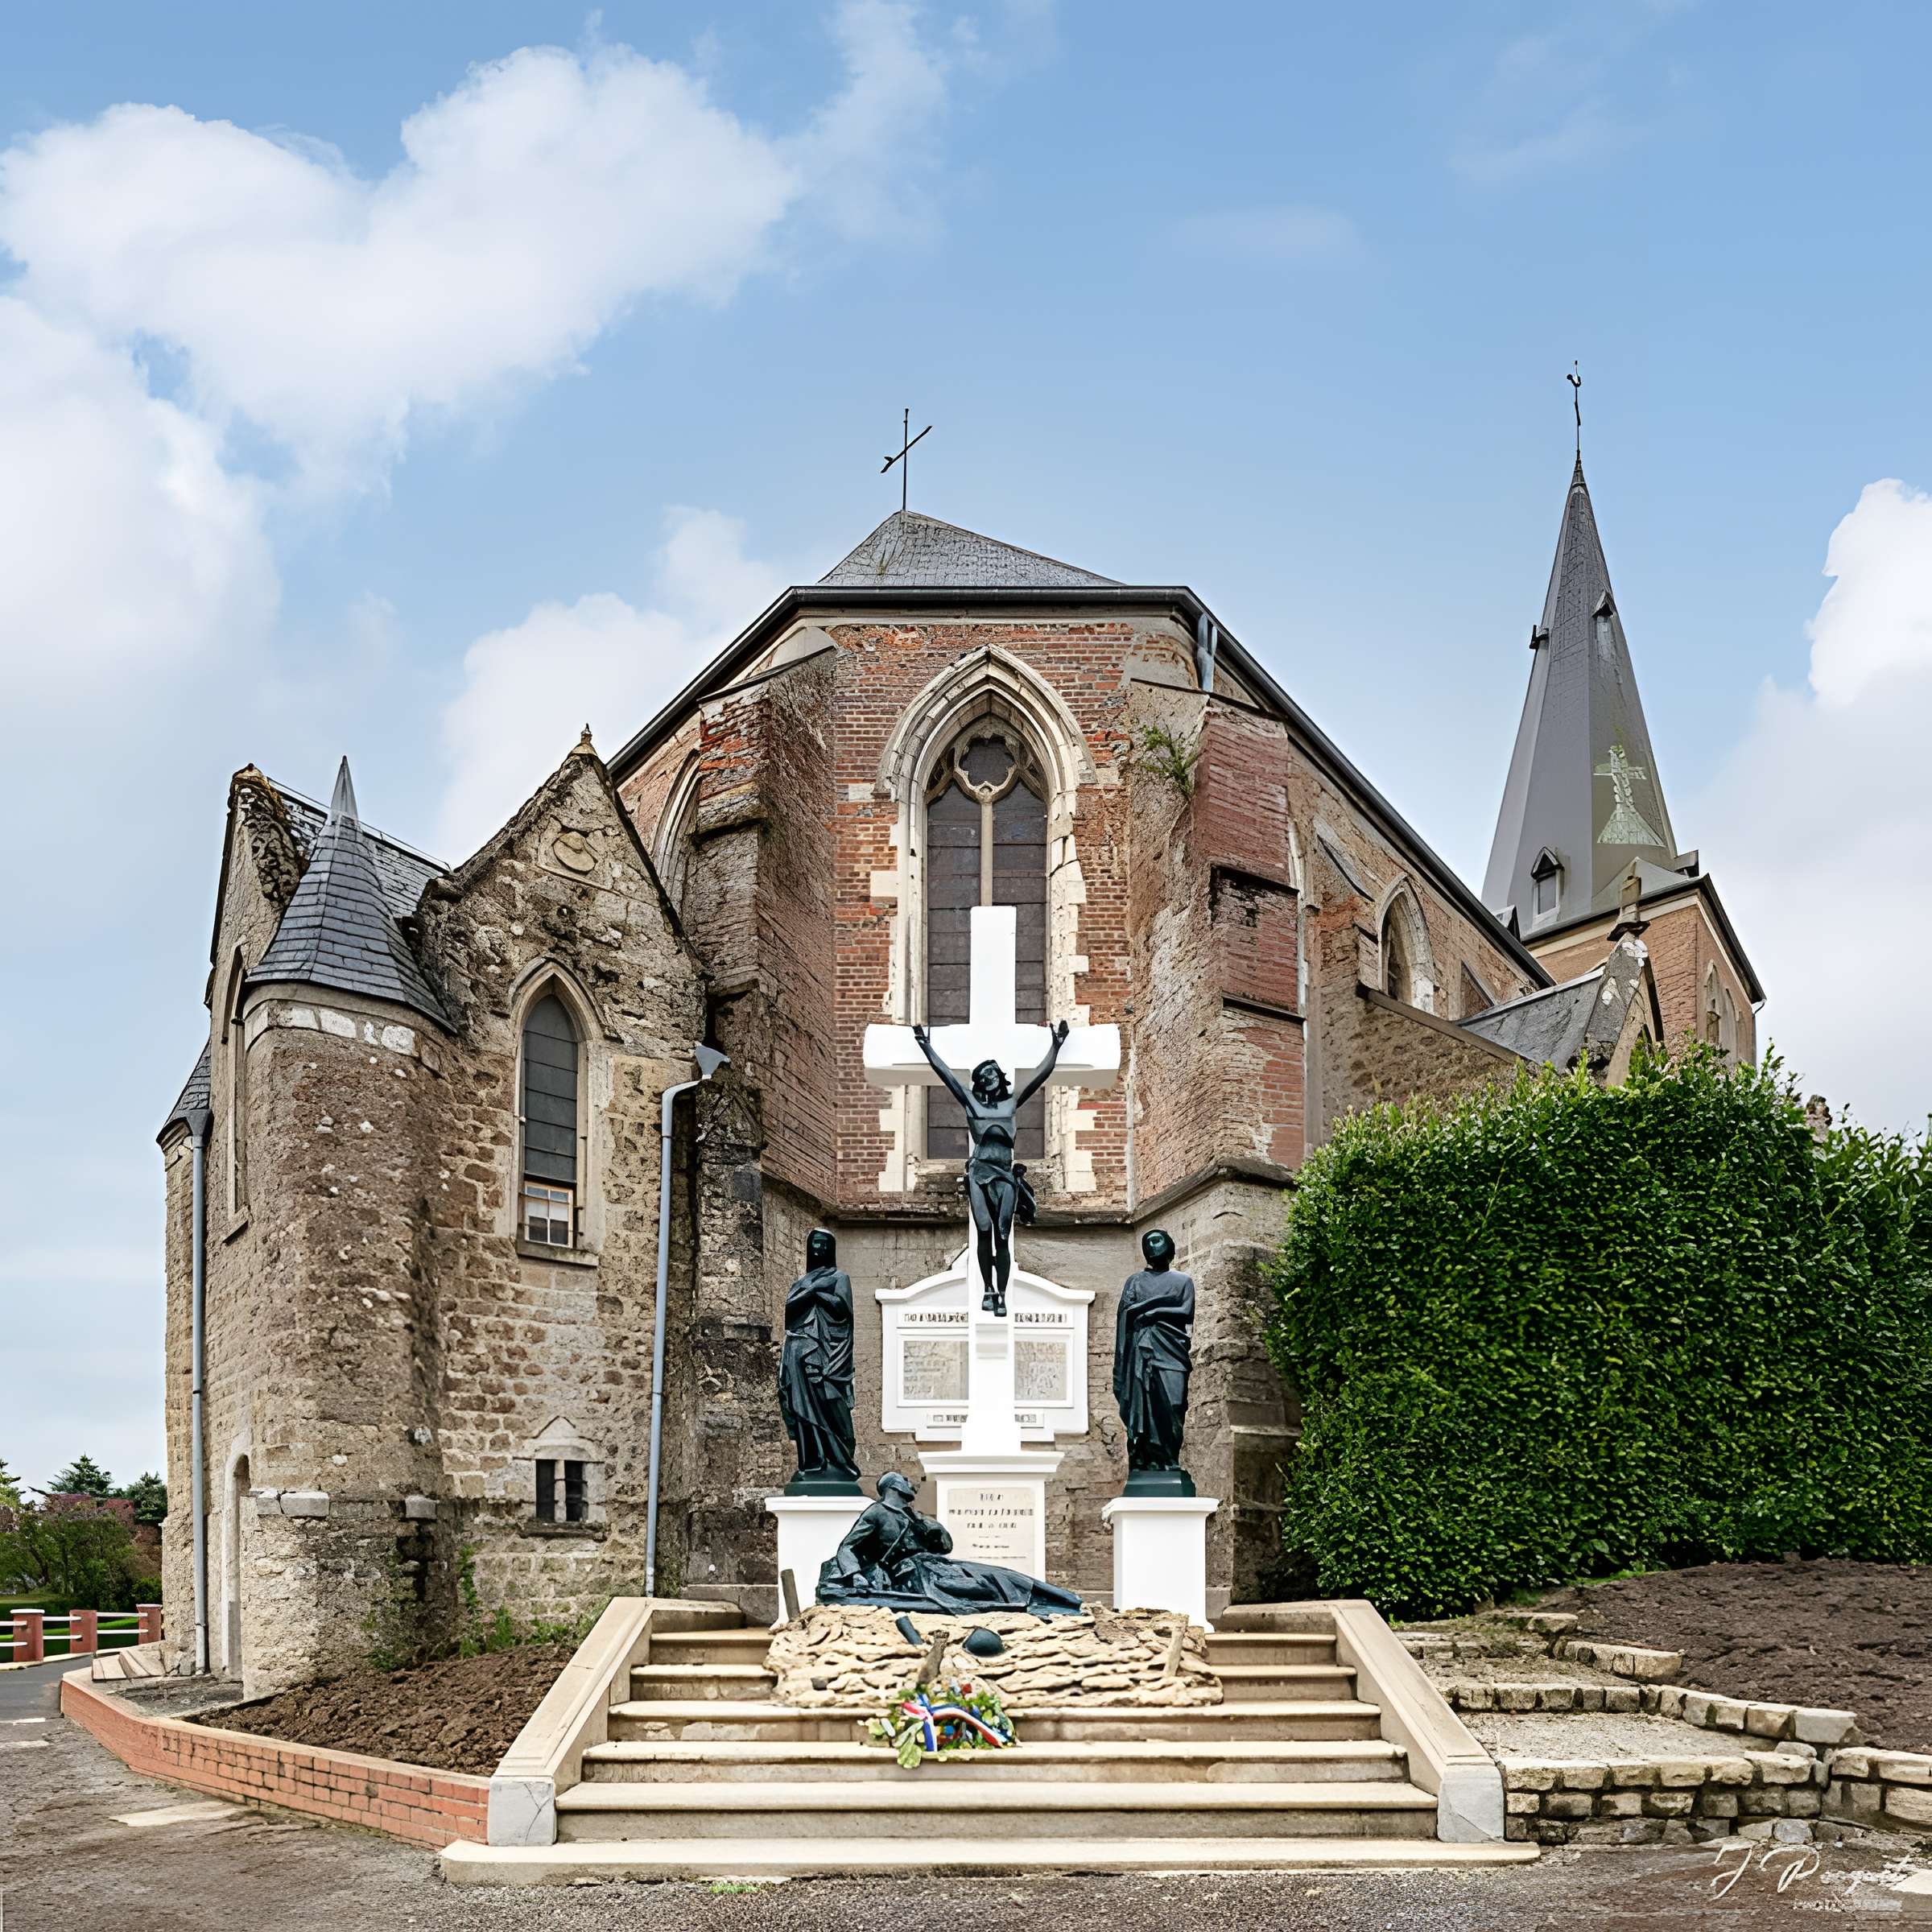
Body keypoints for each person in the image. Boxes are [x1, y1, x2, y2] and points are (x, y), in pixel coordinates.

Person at [910, 1018, 1070, 1315]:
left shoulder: (1012, 1103)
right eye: (984, 1074)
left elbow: (1040, 1076)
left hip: (1005, 1175)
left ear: (1000, 1076)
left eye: (993, 1072)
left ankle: (1003, 1296)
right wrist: (925, 1045)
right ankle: (987, 1289)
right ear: (979, 1081)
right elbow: (946, 1076)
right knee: (984, 1229)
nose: (990, 1076)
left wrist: (1056, 1046)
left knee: (1003, 1234)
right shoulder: (972, 1104)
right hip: (980, 1173)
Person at [817, 1472, 1083, 1616]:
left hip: (939, 1566)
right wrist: (855, 1576)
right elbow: (847, 1547)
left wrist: (928, 1525)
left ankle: (1063, 1601)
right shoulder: (876, 1513)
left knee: (1000, 1574)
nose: (913, 1486)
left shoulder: (915, 1517)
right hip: (914, 1575)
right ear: (895, 1486)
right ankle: (1023, 1607)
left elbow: (945, 1547)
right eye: (907, 1482)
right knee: (980, 1589)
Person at [1113, 1228, 1196, 1494]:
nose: (1154, 1246)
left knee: (1174, 1403)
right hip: (1143, 1353)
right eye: (1149, 1243)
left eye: (1159, 1242)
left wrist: (1153, 1308)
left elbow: (1186, 1311)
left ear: (1171, 1249)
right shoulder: (1134, 1282)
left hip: (1172, 1351)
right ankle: (1149, 1460)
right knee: (1146, 1405)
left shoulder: (1183, 1281)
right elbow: (1125, 1318)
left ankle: (1171, 1458)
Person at [778, 1228, 858, 1493]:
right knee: (801, 1408)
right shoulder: (800, 1283)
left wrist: (817, 1294)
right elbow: (790, 1314)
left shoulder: (838, 1277)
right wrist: (810, 1291)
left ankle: (842, 1460)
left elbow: (842, 1310)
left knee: (832, 1403)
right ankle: (812, 1463)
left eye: (824, 1245)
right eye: (815, 1244)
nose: (819, 1249)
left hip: (827, 1355)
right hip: (798, 1352)